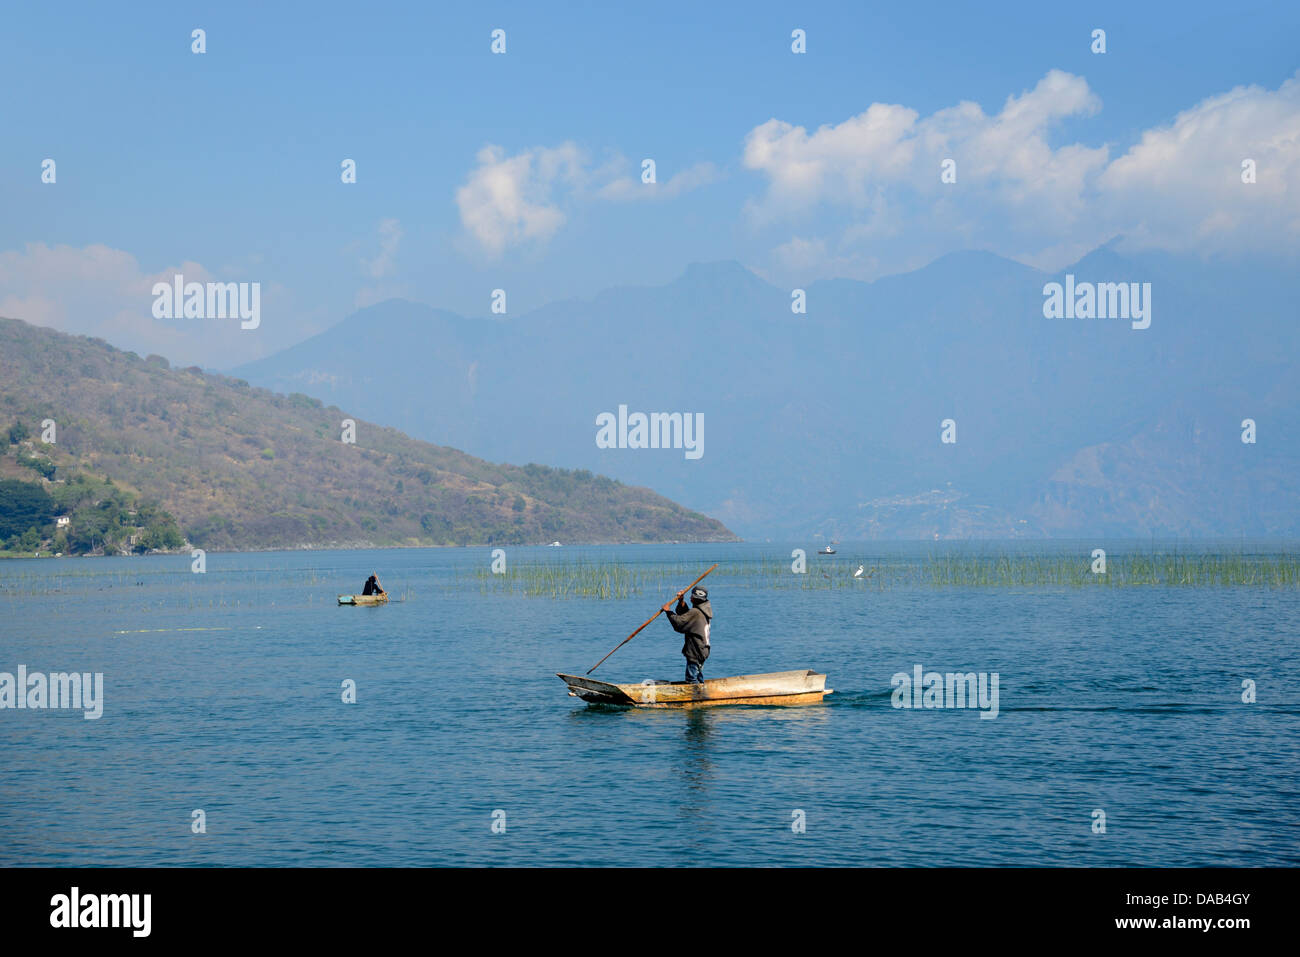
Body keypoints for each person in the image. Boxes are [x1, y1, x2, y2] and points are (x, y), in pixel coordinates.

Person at [663, 586, 712, 684]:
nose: (690, 598)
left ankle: (696, 696)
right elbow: (686, 615)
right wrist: (681, 601)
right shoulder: (702, 610)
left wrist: (668, 612)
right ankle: (701, 690)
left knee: (691, 679)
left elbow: (680, 623)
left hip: (696, 650)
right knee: (697, 674)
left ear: (694, 599)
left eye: (691, 597)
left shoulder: (696, 612)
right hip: (702, 649)